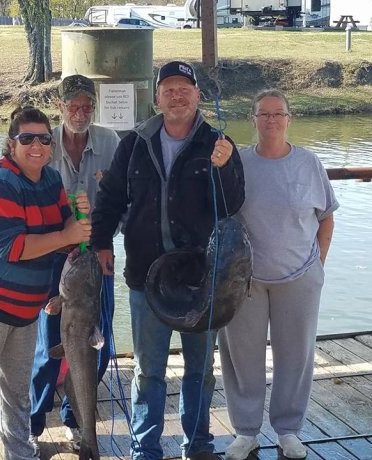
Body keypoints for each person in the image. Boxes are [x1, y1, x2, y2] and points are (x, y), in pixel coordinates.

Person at [90, 61, 245, 460]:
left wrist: (225, 167)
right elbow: (109, 199)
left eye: (184, 88)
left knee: (199, 371)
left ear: (197, 95)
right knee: (148, 372)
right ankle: (146, 448)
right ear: (156, 97)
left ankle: (197, 443)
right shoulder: (135, 142)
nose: (176, 96)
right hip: (145, 277)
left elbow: (232, 205)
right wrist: (101, 242)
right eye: (168, 89)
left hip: (200, 280)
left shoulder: (219, 143)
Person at [0, 106, 91, 460]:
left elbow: (68, 238)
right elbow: (12, 248)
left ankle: (20, 455)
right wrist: (66, 232)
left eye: (44, 138)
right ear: (11, 144)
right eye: (27, 139)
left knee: (17, 395)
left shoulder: (52, 180)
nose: (37, 145)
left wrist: (79, 219)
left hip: (26, 311)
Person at [219, 89, 339, 460]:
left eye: (278, 114)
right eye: (263, 114)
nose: (271, 121)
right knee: (241, 356)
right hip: (246, 281)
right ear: (252, 120)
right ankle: (246, 430)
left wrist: (317, 264)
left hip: (300, 278)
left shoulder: (309, 163)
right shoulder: (236, 162)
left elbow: (326, 217)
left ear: (289, 119)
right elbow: (219, 213)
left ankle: (289, 430)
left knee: (296, 355)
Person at [29, 74, 121, 454]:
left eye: (87, 106)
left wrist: (103, 242)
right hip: (54, 255)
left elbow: (120, 200)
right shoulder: (42, 143)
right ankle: (32, 425)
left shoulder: (110, 141)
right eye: (73, 106)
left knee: (96, 343)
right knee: (48, 346)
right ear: (60, 107)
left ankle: (74, 420)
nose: (81, 112)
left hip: (97, 254)